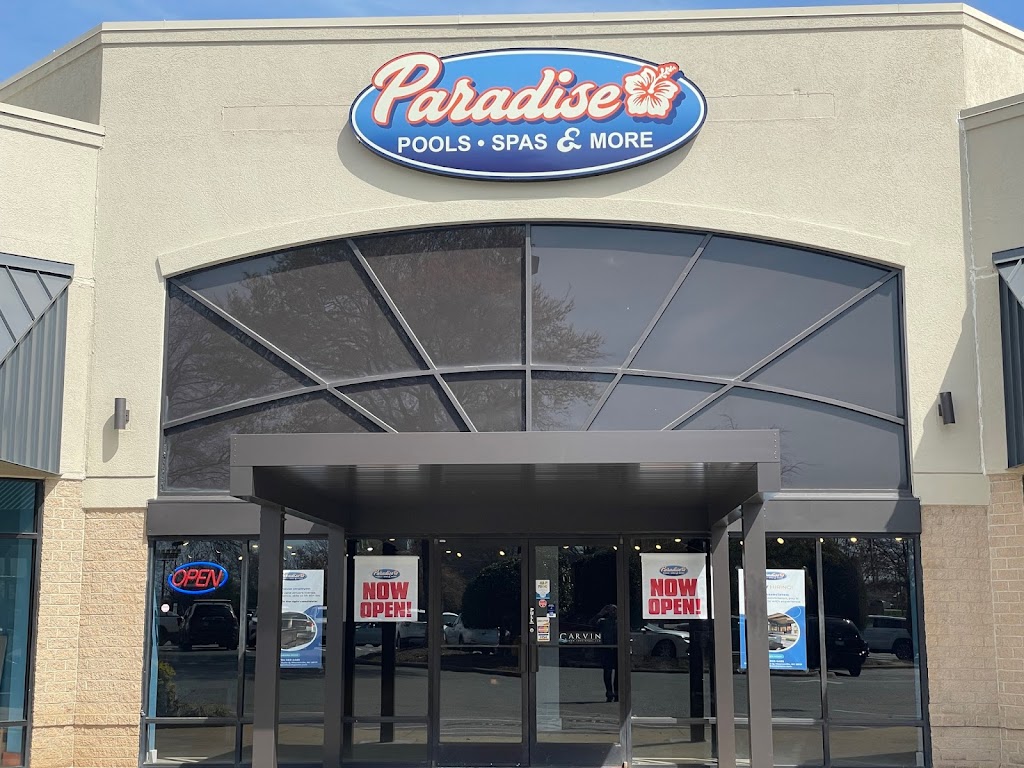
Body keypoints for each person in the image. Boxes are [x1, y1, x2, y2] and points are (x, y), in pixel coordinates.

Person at [594, 604, 618, 702]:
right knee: (607, 672)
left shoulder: (620, 622)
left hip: (618, 649)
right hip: (607, 649)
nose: (613, 612)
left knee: (619, 673)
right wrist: (600, 613)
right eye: (611, 610)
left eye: (615, 610)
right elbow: (591, 624)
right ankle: (609, 692)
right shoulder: (603, 622)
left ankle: (617, 693)